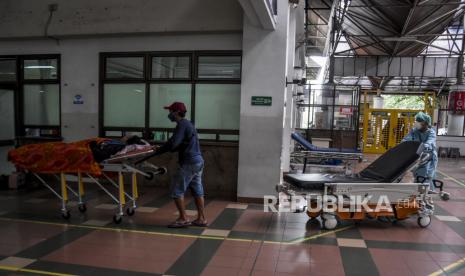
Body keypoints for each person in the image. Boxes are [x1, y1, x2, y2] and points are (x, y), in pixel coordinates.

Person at [155, 102, 207, 228]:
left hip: (189, 162)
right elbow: (182, 143)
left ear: (177, 112)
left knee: (176, 190)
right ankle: (201, 218)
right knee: (197, 190)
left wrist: (159, 150)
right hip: (198, 161)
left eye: (170, 112)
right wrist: (168, 147)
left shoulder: (182, 125)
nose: (169, 114)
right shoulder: (189, 124)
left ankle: (183, 218)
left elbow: (174, 143)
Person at [401, 112, 438, 192]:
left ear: (425, 123)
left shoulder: (431, 133)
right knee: (417, 173)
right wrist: (403, 144)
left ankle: (428, 193)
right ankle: (419, 189)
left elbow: (429, 143)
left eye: (419, 121)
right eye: (416, 121)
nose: (416, 123)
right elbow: (406, 139)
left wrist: (423, 146)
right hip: (417, 155)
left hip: (429, 156)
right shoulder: (414, 131)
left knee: (427, 175)